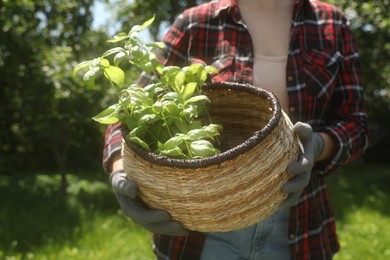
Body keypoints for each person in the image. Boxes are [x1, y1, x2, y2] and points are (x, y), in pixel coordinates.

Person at [104, 0, 369, 259]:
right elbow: (130, 111)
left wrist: (319, 146)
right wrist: (120, 170)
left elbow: (355, 123)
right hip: (199, 223)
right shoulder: (195, 22)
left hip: (300, 223)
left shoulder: (331, 23)